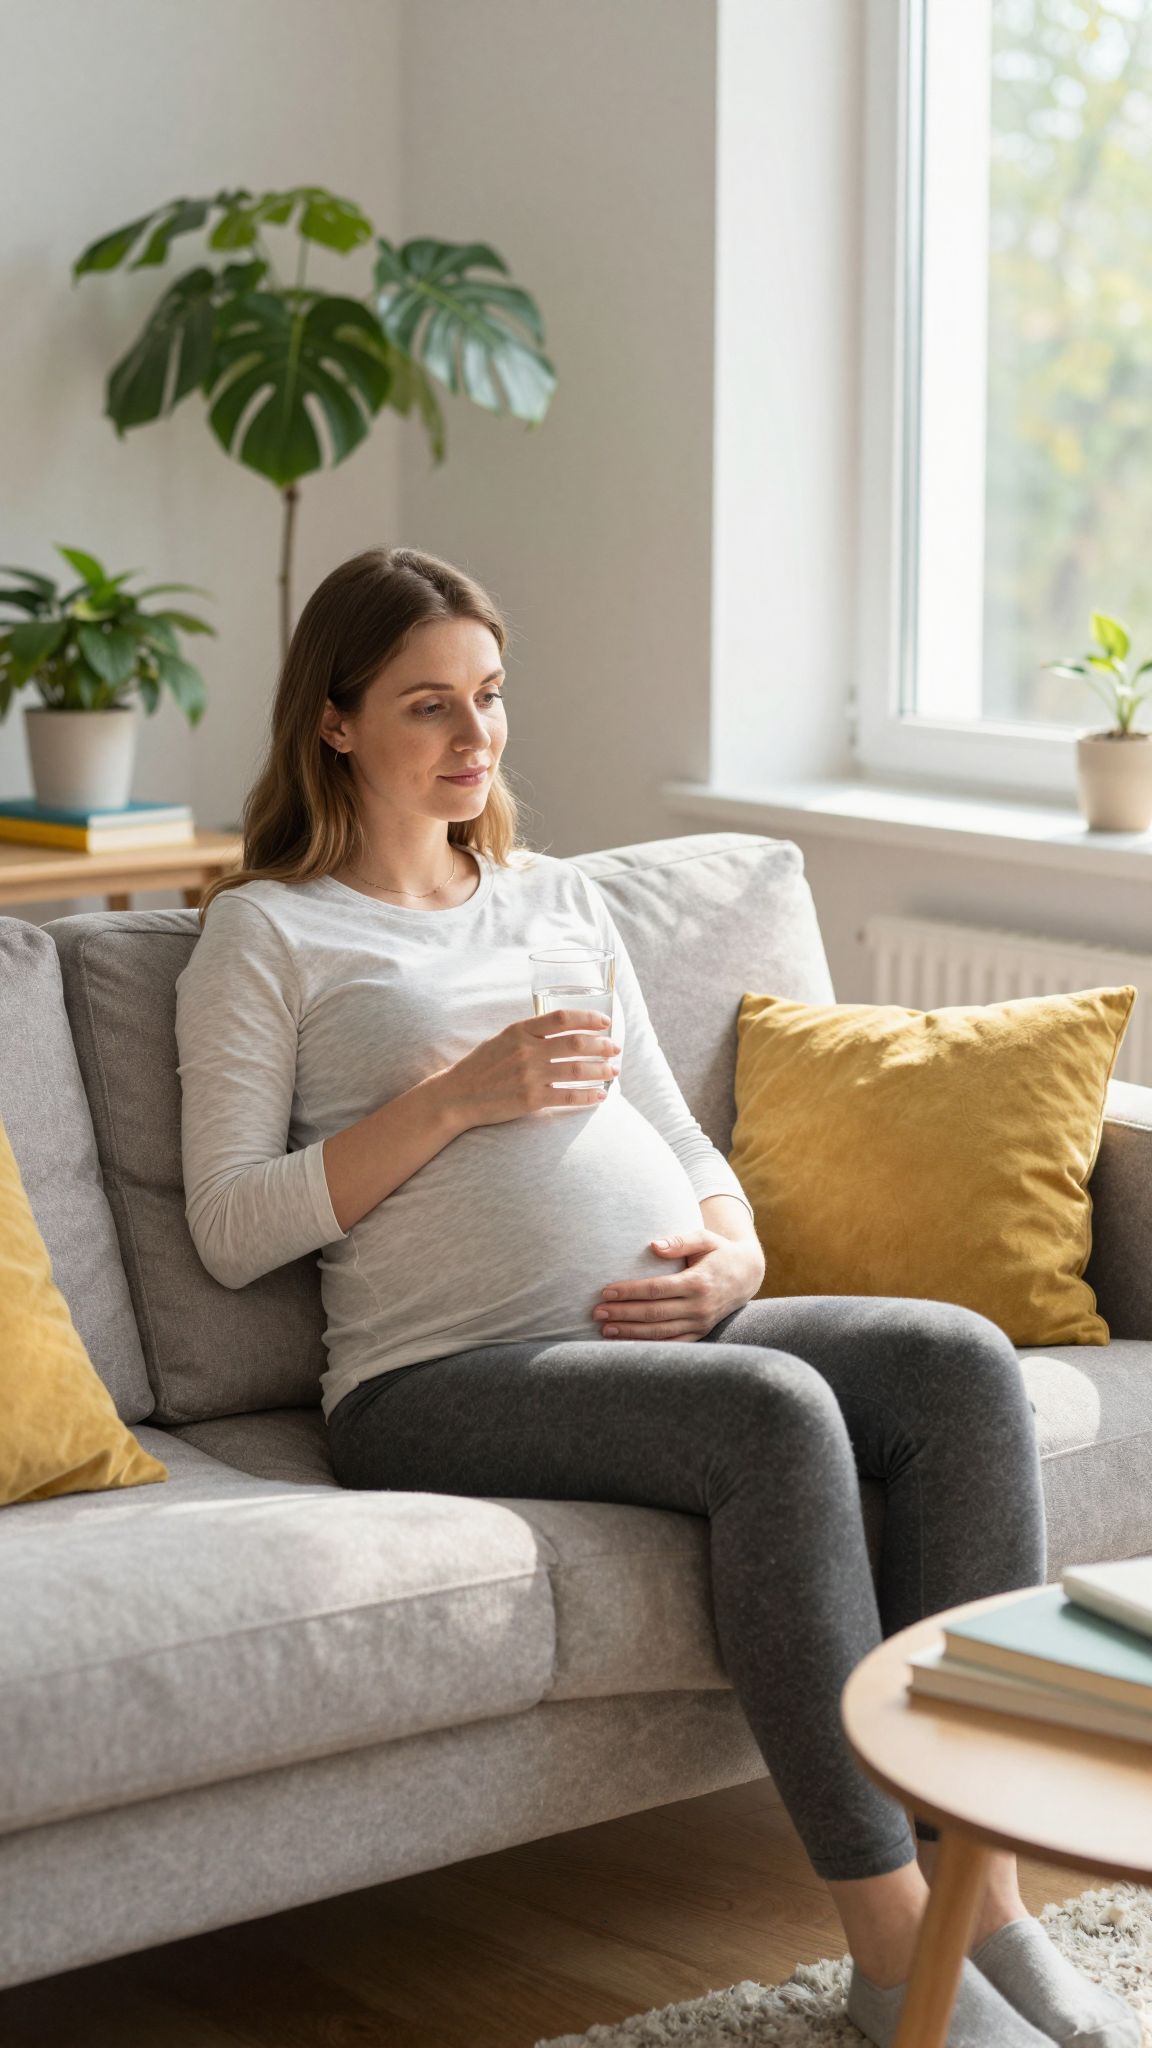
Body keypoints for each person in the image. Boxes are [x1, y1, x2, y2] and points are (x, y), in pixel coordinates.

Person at [174, 546, 1137, 2048]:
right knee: (769, 1415)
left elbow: (682, 1140)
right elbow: (231, 1227)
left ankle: (986, 1904)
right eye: (429, 705)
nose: (475, 735)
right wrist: (446, 1104)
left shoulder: (552, 900)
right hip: (442, 1377)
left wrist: (736, 1252)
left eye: (490, 696)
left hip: (680, 1325)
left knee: (953, 1365)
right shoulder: (273, 932)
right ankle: (891, 1949)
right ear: (337, 724)